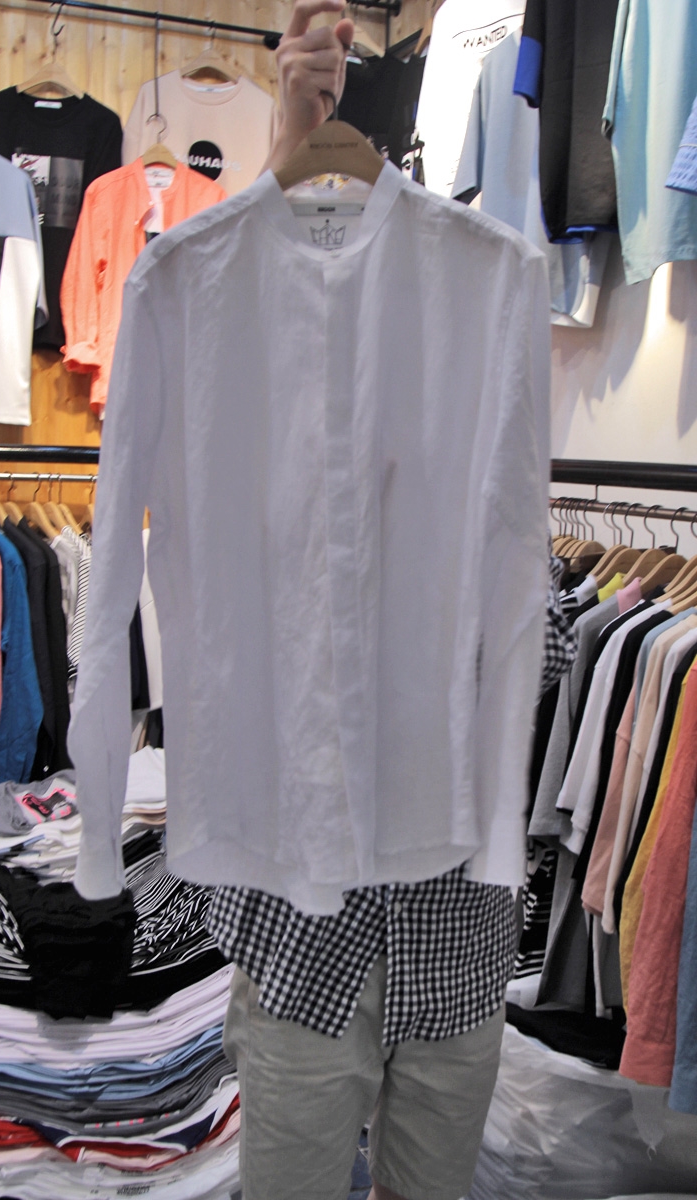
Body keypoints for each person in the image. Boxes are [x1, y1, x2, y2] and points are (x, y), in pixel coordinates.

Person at [204, 5, 572, 1200]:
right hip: (304, 952)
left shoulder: (487, 470)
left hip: (453, 954)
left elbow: (537, 665)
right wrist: (288, 138)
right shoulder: (270, 462)